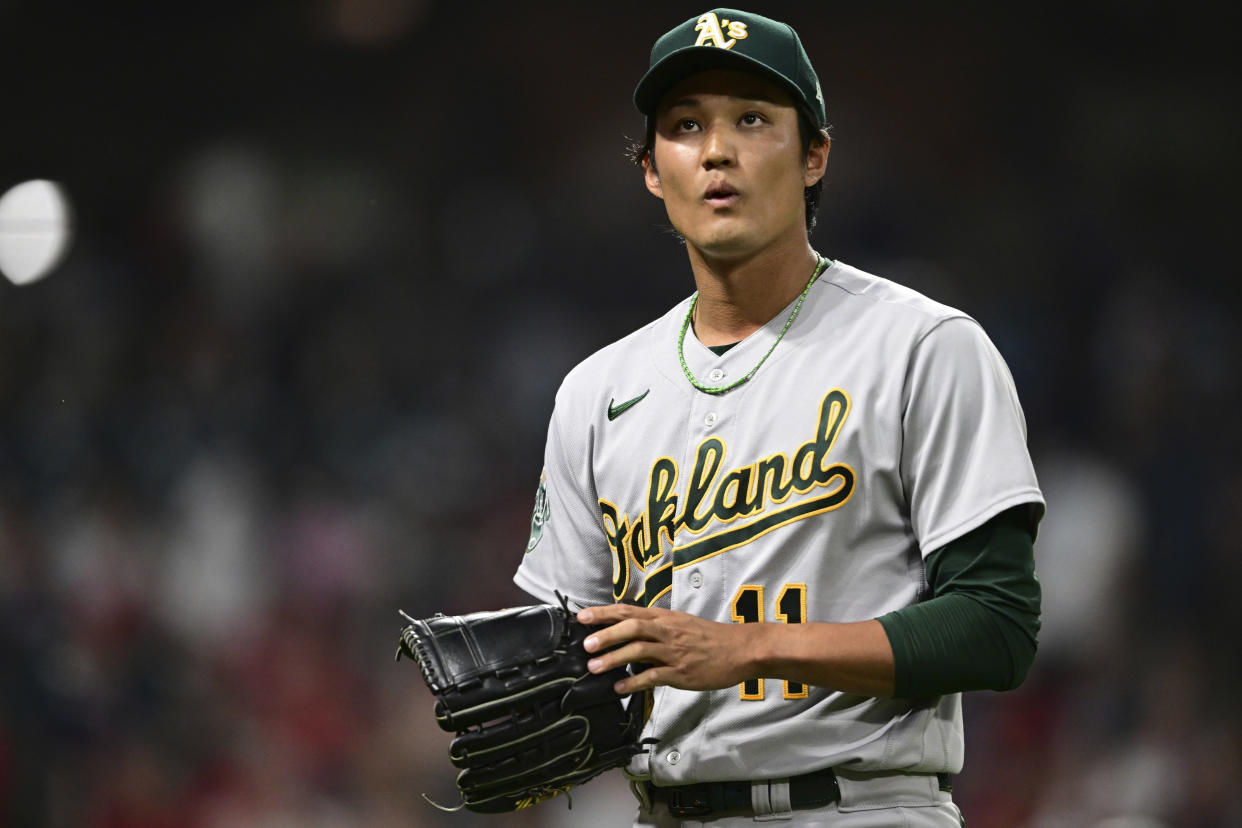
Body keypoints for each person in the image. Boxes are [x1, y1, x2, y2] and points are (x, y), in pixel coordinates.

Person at [514, 8, 1043, 826]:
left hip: (859, 805)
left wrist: (746, 649)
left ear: (814, 156)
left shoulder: (921, 346)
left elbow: (995, 626)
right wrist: (524, 703)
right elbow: (577, 652)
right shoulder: (596, 389)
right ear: (653, 169)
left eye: (752, 119)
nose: (717, 150)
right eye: (686, 126)